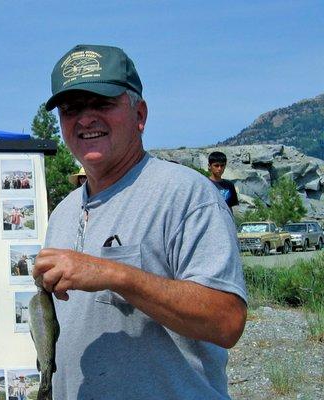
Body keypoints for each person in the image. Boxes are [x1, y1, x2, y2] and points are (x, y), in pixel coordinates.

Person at [32, 44, 247, 399]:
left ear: (140, 115)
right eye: (71, 109)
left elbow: (227, 321)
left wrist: (114, 274)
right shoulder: (63, 212)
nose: (85, 118)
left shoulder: (186, 195)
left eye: (102, 103)